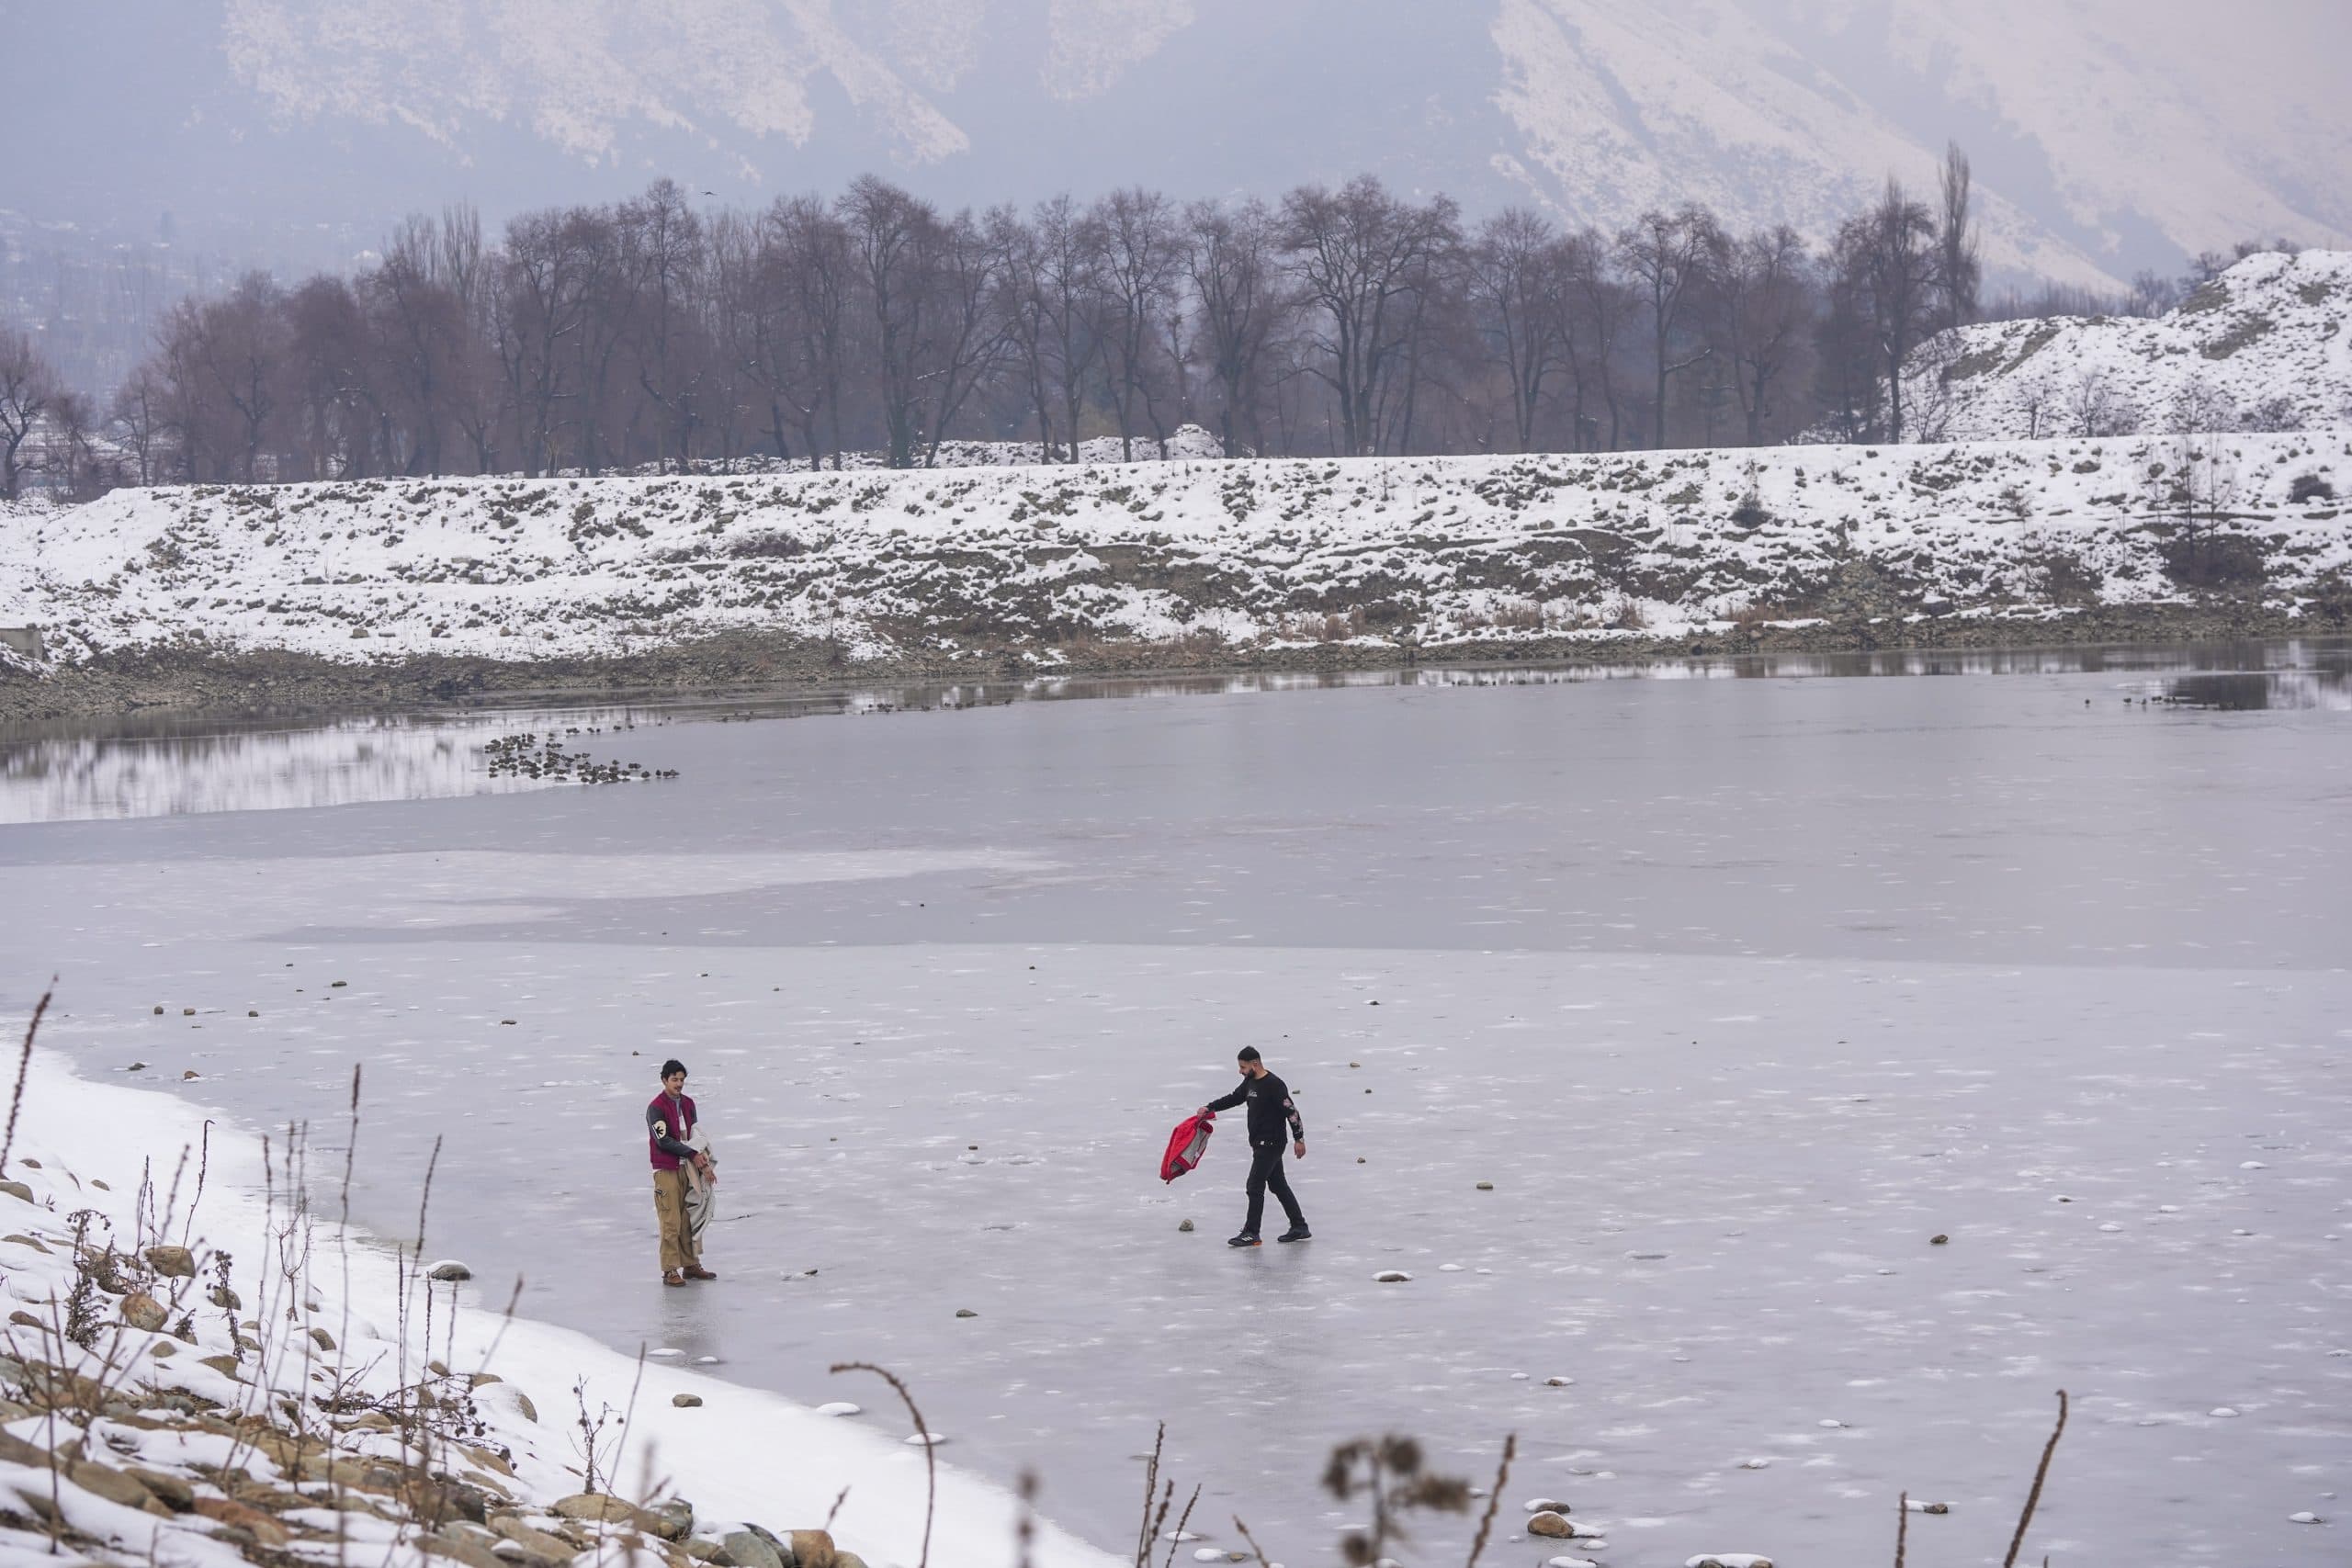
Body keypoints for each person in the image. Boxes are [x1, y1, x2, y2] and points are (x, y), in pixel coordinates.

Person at [1200, 1046, 1309, 1247]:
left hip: (1272, 1144)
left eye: (1243, 1067)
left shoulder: (1274, 1085)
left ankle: (1252, 1232)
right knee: (1278, 1185)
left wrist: (1299, 1139)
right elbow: (1234, 1098)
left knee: (1254, 1185)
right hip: (1259, 1144)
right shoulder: (1250, 1083)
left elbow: (1291, 1111)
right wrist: (1210, 1107)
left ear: (1255, 1064)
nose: (1240, 1071)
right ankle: (1299, 1226)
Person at [647, 1059, 718, 1286]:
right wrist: (691, 1154)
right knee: (671, 1220)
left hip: (687, 1168)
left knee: (689, 1218)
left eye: (682, 1080)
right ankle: (669, 1270)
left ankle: (690, 1264)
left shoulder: (688, 1104)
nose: (679, 1084)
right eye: (674, 1080)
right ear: (664, 1080)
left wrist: (704, 1164)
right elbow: (663, 1140)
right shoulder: (656, 1107)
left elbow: (696, 1136)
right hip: (666, 1170)